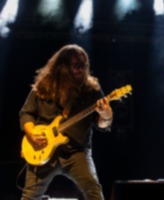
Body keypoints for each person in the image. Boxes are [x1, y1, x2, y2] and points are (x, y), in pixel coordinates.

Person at [19, 44, 113, 199]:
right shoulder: (43, 87)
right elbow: (26, 113)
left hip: (76, 152)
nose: (81, 70)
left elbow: (102, 125)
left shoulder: (92, 90)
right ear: (61, 66)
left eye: (84, 66)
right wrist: (32, 134)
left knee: (94, 191)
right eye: (76, 66)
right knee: (30, 196)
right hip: (42, 150)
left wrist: (106, 115)